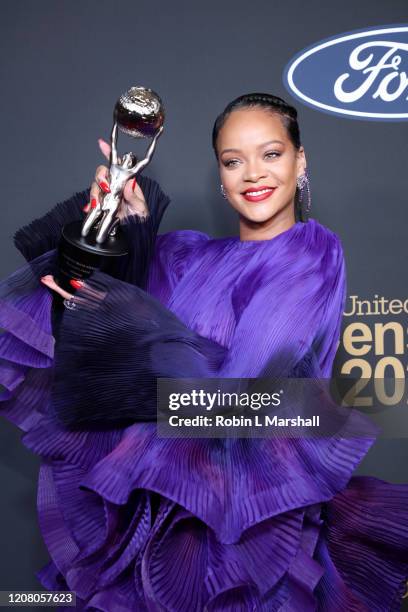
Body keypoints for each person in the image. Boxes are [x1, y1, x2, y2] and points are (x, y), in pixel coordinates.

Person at [0, 93, 407, 611]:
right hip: (159, 518)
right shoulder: (190, 254)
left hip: (253, 532)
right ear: (220, 174)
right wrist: (124, 224)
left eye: (272, 154)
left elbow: (247, 398)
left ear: (301, 160)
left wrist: (123, 353)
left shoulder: (311, 254)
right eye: (233, 161)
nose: (253, 174)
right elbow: (95, 332)